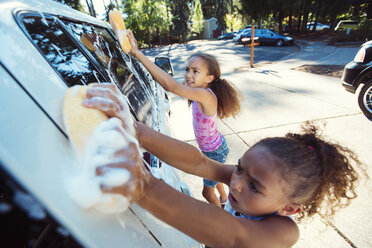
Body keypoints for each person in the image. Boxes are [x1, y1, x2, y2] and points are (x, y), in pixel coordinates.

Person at [82, 84, 366, 248]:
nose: (237, 182)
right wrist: (138, 131)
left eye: (255, 186)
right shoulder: (242, 183)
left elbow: (233, 234)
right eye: (241, 168)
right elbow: (201, 163)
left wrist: (144, 187)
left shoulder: (283, 231)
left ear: (289, 208)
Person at [126, 31, 241, 207]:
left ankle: (221, 217)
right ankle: (224, 200)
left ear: (209, 78)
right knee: (216, 176)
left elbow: (171, 86)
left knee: (206, 191)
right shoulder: (200, 92)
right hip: (214, 146)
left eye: (196, 71)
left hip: (215, 150)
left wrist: (138, 53)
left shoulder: (205, 95)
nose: (188, 74)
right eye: (187, 69)